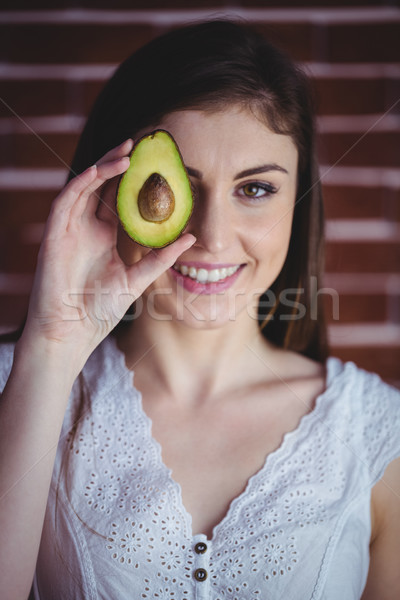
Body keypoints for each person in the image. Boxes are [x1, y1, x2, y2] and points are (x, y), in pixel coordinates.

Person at [0, 19, 399, 600]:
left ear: (298, 202)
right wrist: (53, 346)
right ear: (106, 193)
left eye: (255, 189)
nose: (212, 238)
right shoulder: (19, 384)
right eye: (172, 186)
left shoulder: (378, 432)